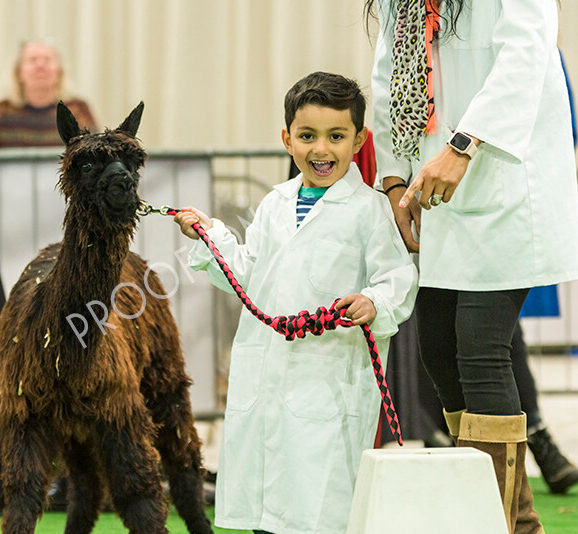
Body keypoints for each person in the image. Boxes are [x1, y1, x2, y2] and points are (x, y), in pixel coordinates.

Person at [368, 0, 578, 532]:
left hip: (504, 182)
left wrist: (463, 144)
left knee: (481, 351)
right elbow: (387, 76)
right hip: (432, 188)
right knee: (438, 350)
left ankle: (498, 524)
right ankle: (513, 518)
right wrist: (394, 177)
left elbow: (526, 55)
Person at [174, 71, 418, 534]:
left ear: (359, 139)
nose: (320, 150)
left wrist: (372, 301)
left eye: (335, 136)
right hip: (266, 375)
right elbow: (246, 274)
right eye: (307, 136)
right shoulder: (274, 204)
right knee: (266, 508)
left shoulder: (369, 210)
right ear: (287, 139)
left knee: (320, 509)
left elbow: (398, 278)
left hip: (329, 380)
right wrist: (211, 234)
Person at [0, 39, 96, 148]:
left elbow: (97, 153)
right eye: (33, 60)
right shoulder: (1, 111)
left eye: (47, 60)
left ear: (59, 72)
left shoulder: (78, 110)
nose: (40, 66)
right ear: (18, 72)